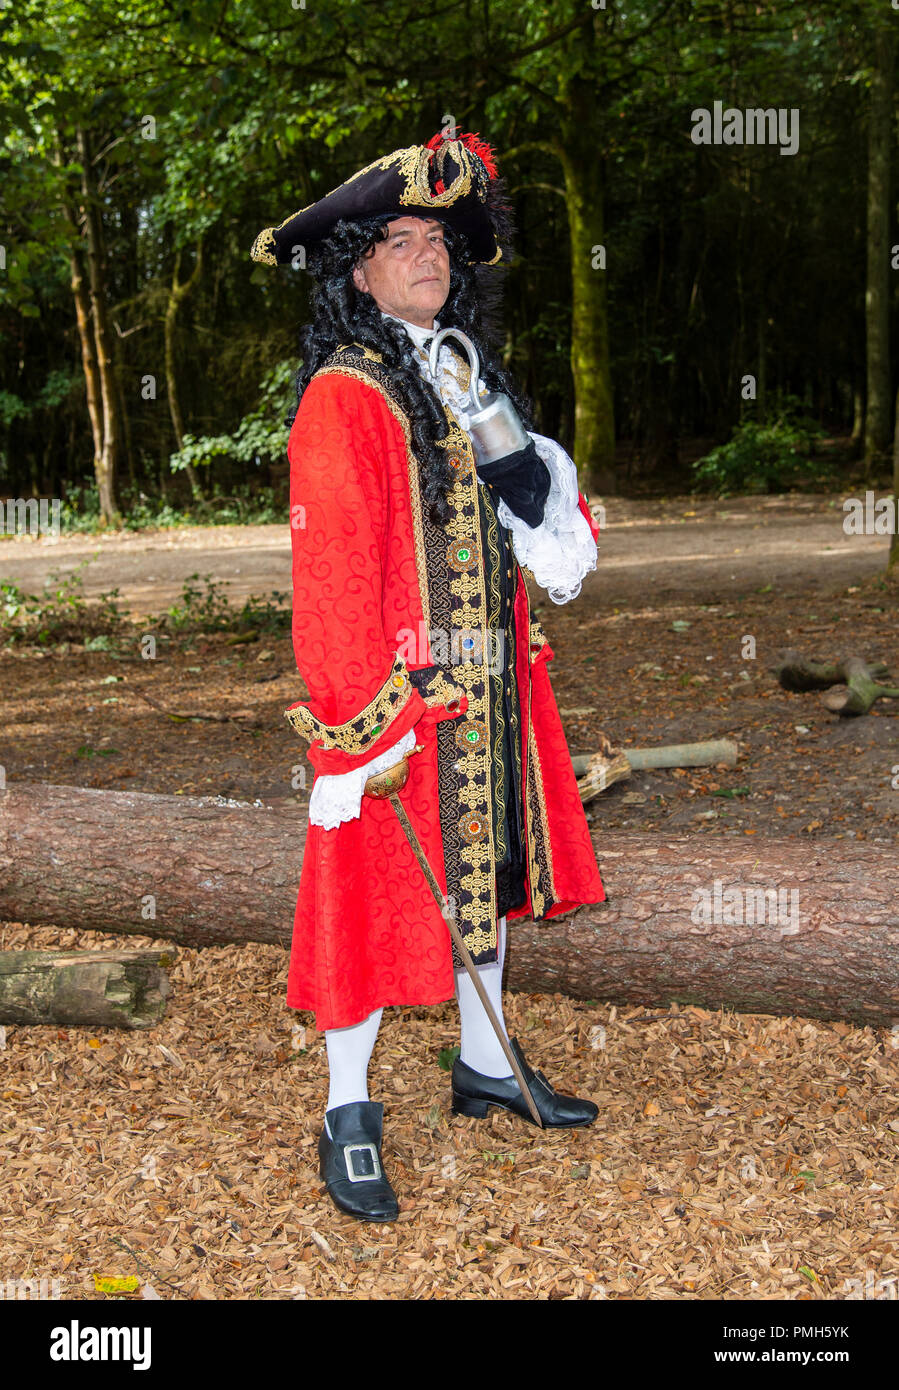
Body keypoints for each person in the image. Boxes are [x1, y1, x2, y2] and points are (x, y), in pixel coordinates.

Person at [251, 130, 606, 1223]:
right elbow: (333, 574)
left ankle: (483, 1065)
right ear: (356, 268)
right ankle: (345, 1110)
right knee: (367, 900)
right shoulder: (344, 395)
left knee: (484, 872)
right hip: (400, 704)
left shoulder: (462, 373)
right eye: (400, 241)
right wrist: (367, 722)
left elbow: (542, 535)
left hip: (490, 686)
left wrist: (531, 484)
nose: (428, 256)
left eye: (440, 241)